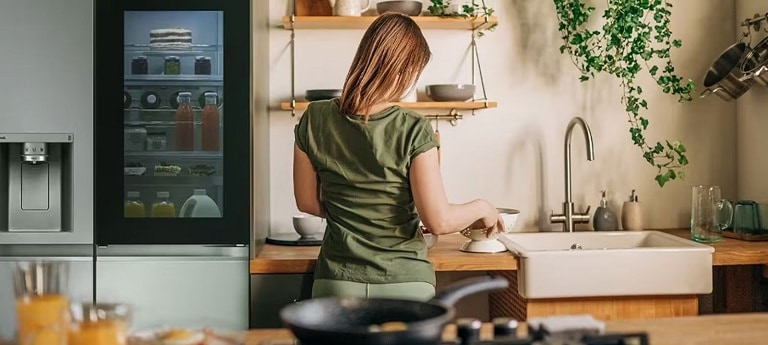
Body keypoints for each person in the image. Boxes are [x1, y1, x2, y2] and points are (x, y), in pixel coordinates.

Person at [292, 12, 505, 302]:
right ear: (403, 71)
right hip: (405, 283)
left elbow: (306, 202)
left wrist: (354, 209)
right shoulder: (414, 129)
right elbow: (439, 221)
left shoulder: (314, 117)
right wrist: (484, 207)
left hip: (336, 281)